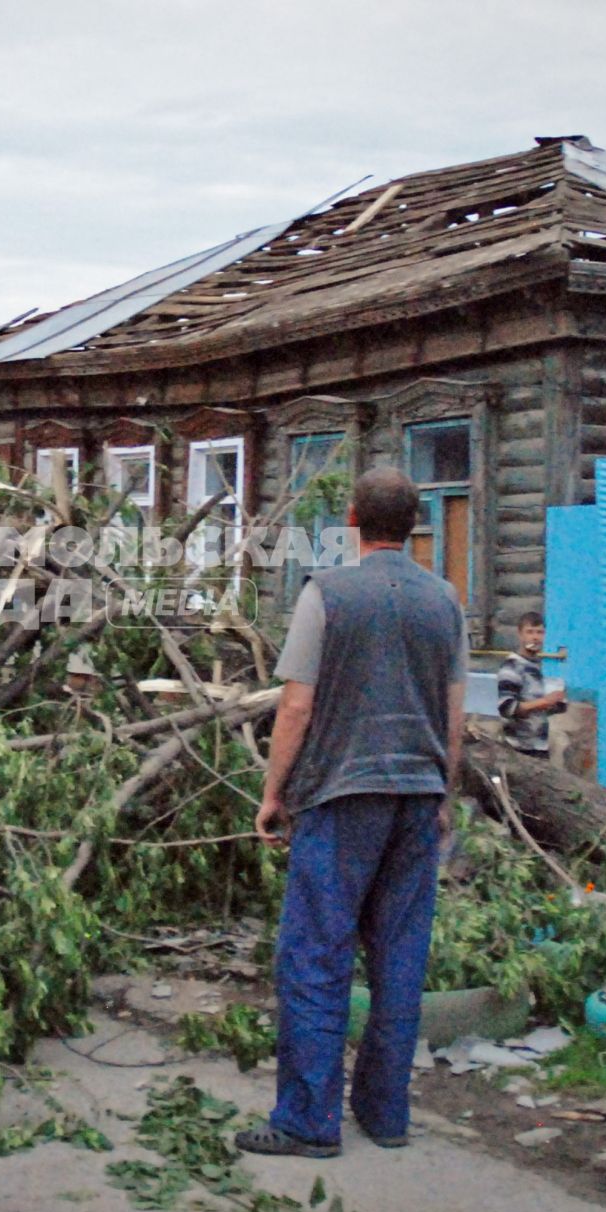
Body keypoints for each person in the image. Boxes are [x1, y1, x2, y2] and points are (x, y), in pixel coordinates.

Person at [240, 466, 467, 1158]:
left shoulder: (326, 594)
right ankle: (385, 1115)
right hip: (417, 799)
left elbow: (297, 706)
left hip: (342, 797)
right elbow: (457, 713)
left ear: (350, 520)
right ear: (415, 523)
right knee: (400, 958)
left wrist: (273, 794)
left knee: (316, 955)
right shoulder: (446, 601)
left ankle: (309, 1121)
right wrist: (445, 796)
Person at [497, 611, 564, 757]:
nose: (535, 637)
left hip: (539, 746)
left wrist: (555, 704)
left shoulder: (536, 666)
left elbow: (536, 706)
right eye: (530, 632)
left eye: (540, 632)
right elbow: (506, 707)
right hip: (519, 750)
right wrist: (544, 701)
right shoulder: (512, 667)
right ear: (520, 635)